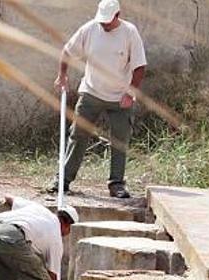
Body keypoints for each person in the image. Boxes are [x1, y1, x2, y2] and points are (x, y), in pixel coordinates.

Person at [50, 0, 147, 199]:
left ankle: (116, 184)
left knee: (120, 140)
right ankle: (63, 180)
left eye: (108, 22)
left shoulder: (130, 32)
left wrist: (130, 94)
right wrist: (62, 75)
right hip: (91, 92)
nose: (104, 25)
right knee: (78, 135)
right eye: (102, 21)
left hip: (120, 97)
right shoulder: (90, 29)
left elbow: (139, 67)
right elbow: (67, 51)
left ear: (117, 15)